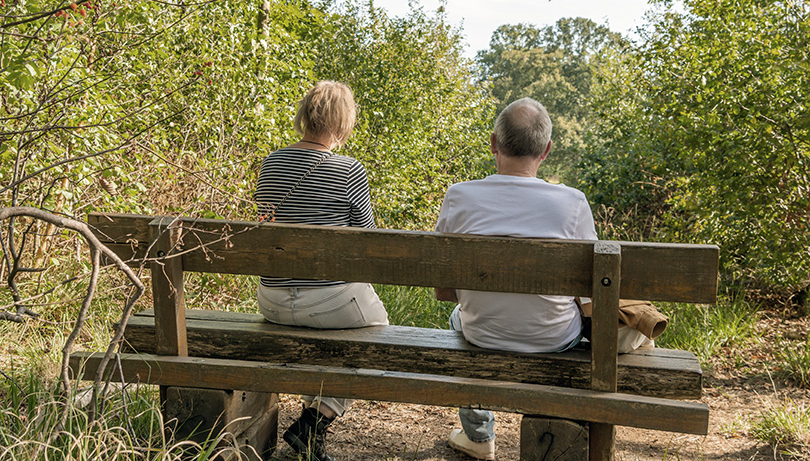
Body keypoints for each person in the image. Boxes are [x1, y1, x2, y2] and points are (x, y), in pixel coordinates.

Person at [434, 97, 652, 460]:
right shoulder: (573, 203)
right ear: (546, 150)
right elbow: (590, 301)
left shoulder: (459, 196)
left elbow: (445, 291)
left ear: (494, 143)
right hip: (554, 340)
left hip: (481, 335)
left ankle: (478, 436)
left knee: (458, 317)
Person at [254, 80, 389, 461]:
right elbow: (367, 240)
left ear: (305, 116)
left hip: (272, 299)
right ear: (344, 123)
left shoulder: (271, 163)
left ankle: (311, 439)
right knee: (381, 339)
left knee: (329, 333)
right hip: (331, 302)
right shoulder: (349, 170)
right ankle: (314, 421)